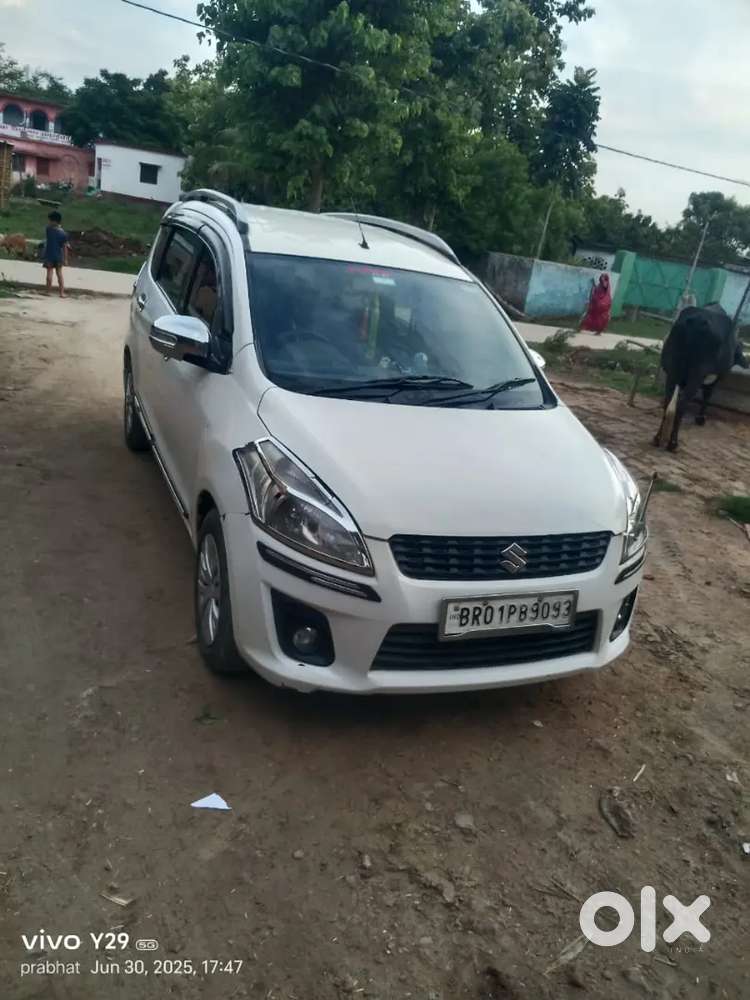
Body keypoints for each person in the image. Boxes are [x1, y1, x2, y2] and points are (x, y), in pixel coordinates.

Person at [42, 211, 70, 298]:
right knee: (59, 274)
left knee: (49, 273)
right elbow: (65, 247)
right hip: (59, 256)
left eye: (50, 220)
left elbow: (49, 228)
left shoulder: (48, 230)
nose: (49, 222)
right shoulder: (63, 234)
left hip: (49, 255)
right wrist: (65, 259)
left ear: (54, 221)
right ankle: (61, 293)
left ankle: (48, 291)